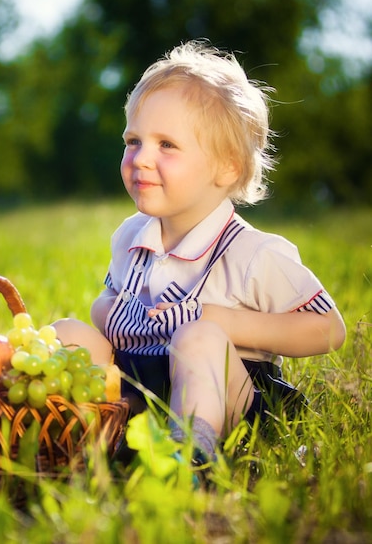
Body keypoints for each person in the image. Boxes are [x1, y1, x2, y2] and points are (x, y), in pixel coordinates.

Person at [54, 40, 346, 469]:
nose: (141, 158)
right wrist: (109, 314)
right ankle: (86, 433)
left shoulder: (254, 253)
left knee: (199, 336)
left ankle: (191, 455)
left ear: (226, 166)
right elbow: (108, 304)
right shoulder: (131, 238)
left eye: (166, 145)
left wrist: (226, 322)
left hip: (227, 400)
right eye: (133, 140)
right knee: (67, 333)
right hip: (141, 387)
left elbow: (329, 329)